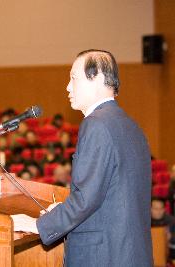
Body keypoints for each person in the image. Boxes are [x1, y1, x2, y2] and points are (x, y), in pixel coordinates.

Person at [11, 49, 152, 266]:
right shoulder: (131, 125)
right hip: (128, 253)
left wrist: (37, 225)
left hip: (104, 256)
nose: (67, 87)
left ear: (96, 78)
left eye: (73, 78)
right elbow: (109, 193)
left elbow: (86, 199)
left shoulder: (96, 124)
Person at [151, 197, 175, 261]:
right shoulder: (145, 222)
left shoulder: (172, 221)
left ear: (164, 209)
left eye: (161, 208)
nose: (158, 211)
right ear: (150, 209)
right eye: (155, 209)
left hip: (169, 253)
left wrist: (170, 237)